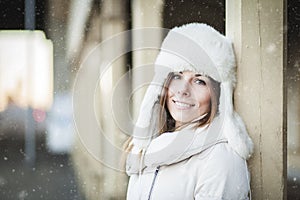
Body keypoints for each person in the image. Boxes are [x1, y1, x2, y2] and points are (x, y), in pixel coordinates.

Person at [125, 23, 254, 200]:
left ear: (218, 93)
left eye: (199, 81)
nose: (183, 90)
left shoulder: (220, 159)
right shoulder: (149, 149)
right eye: (177, 76)